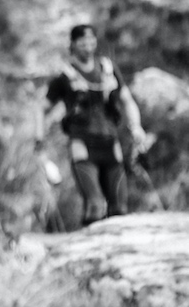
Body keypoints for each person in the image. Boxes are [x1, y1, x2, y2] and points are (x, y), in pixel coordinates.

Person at [36, 24, 149, 226]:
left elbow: (127, 100)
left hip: (110, 144)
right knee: (95, 206)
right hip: (82, 146)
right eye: (82, 41)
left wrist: (136, 126)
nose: (87, 45)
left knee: (119, 208)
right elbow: (41, 109)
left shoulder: (108, 69)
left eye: (91, 40)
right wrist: (39, 140)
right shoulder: (64, 76)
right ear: (72, 44)